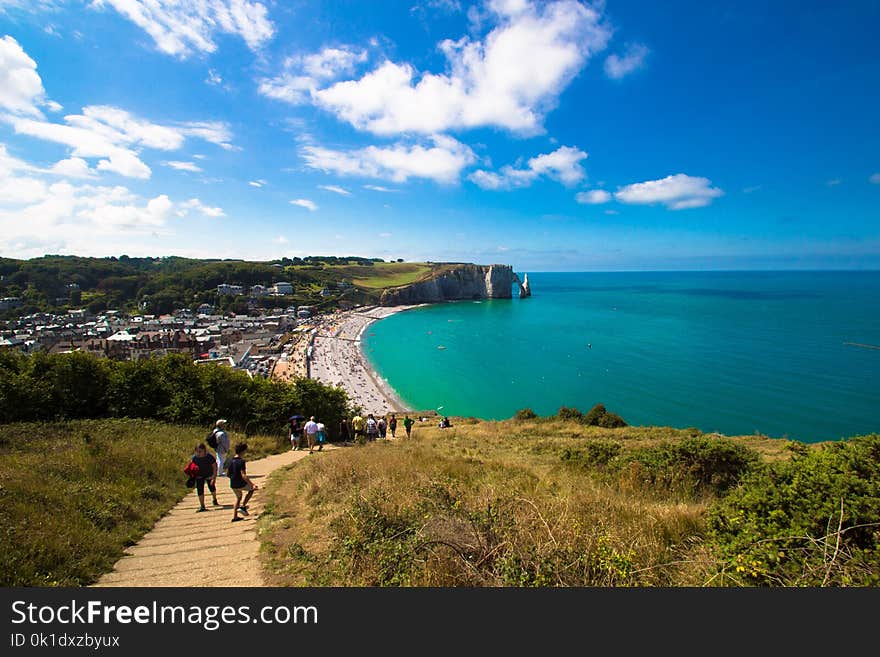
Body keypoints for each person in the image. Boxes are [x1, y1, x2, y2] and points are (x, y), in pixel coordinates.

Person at [228, 442, 257, 522]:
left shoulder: (230, 460)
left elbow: (228, 473)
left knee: (238, 498)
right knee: (251, 490)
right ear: (243, 451)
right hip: (240, 483)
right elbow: (243, 475)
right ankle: (243, 506)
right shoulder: (241, 461)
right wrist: (252, 484)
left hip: (233, 484)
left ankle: (235, 516)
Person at [191, 443, 219, 512]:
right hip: (199, 475)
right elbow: (192, 467)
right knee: (200, 490)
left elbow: (215, 467)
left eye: (200, 451)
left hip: (209, 474)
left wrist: (214, 478)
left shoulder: (209, 457)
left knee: (212, 488)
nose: (198, 453)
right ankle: (202, 506)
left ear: (204, 451)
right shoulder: (194, 458)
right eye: (197, 451)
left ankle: (214, 499)